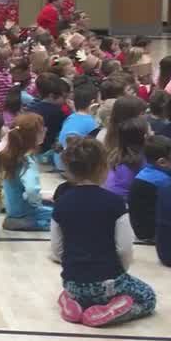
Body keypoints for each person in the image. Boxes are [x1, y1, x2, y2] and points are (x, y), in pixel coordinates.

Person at [52, 136, 157, 326]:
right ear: (103, 167)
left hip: (72, 281)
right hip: (109, 281)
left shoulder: (61, 203)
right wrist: (120, 272)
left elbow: (56, 249)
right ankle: (110, 310)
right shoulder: (115, 203)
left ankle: (71, 301)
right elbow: (124, 248)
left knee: (78, 291)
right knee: (148, 297)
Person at [0, 113, 53, 231]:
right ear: (33, 136)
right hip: (25, 212)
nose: (45, 131)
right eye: (42, 129)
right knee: (60, 215)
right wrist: (37, 202)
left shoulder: (12, 155)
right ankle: (26, 223)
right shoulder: (27, 161)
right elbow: (31, 190)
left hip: (13, 209)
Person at [127, 135, 171, 243]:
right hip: (152, 232)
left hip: (140, 229)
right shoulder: (162, 180)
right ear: (162, 162)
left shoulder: (145, 172)